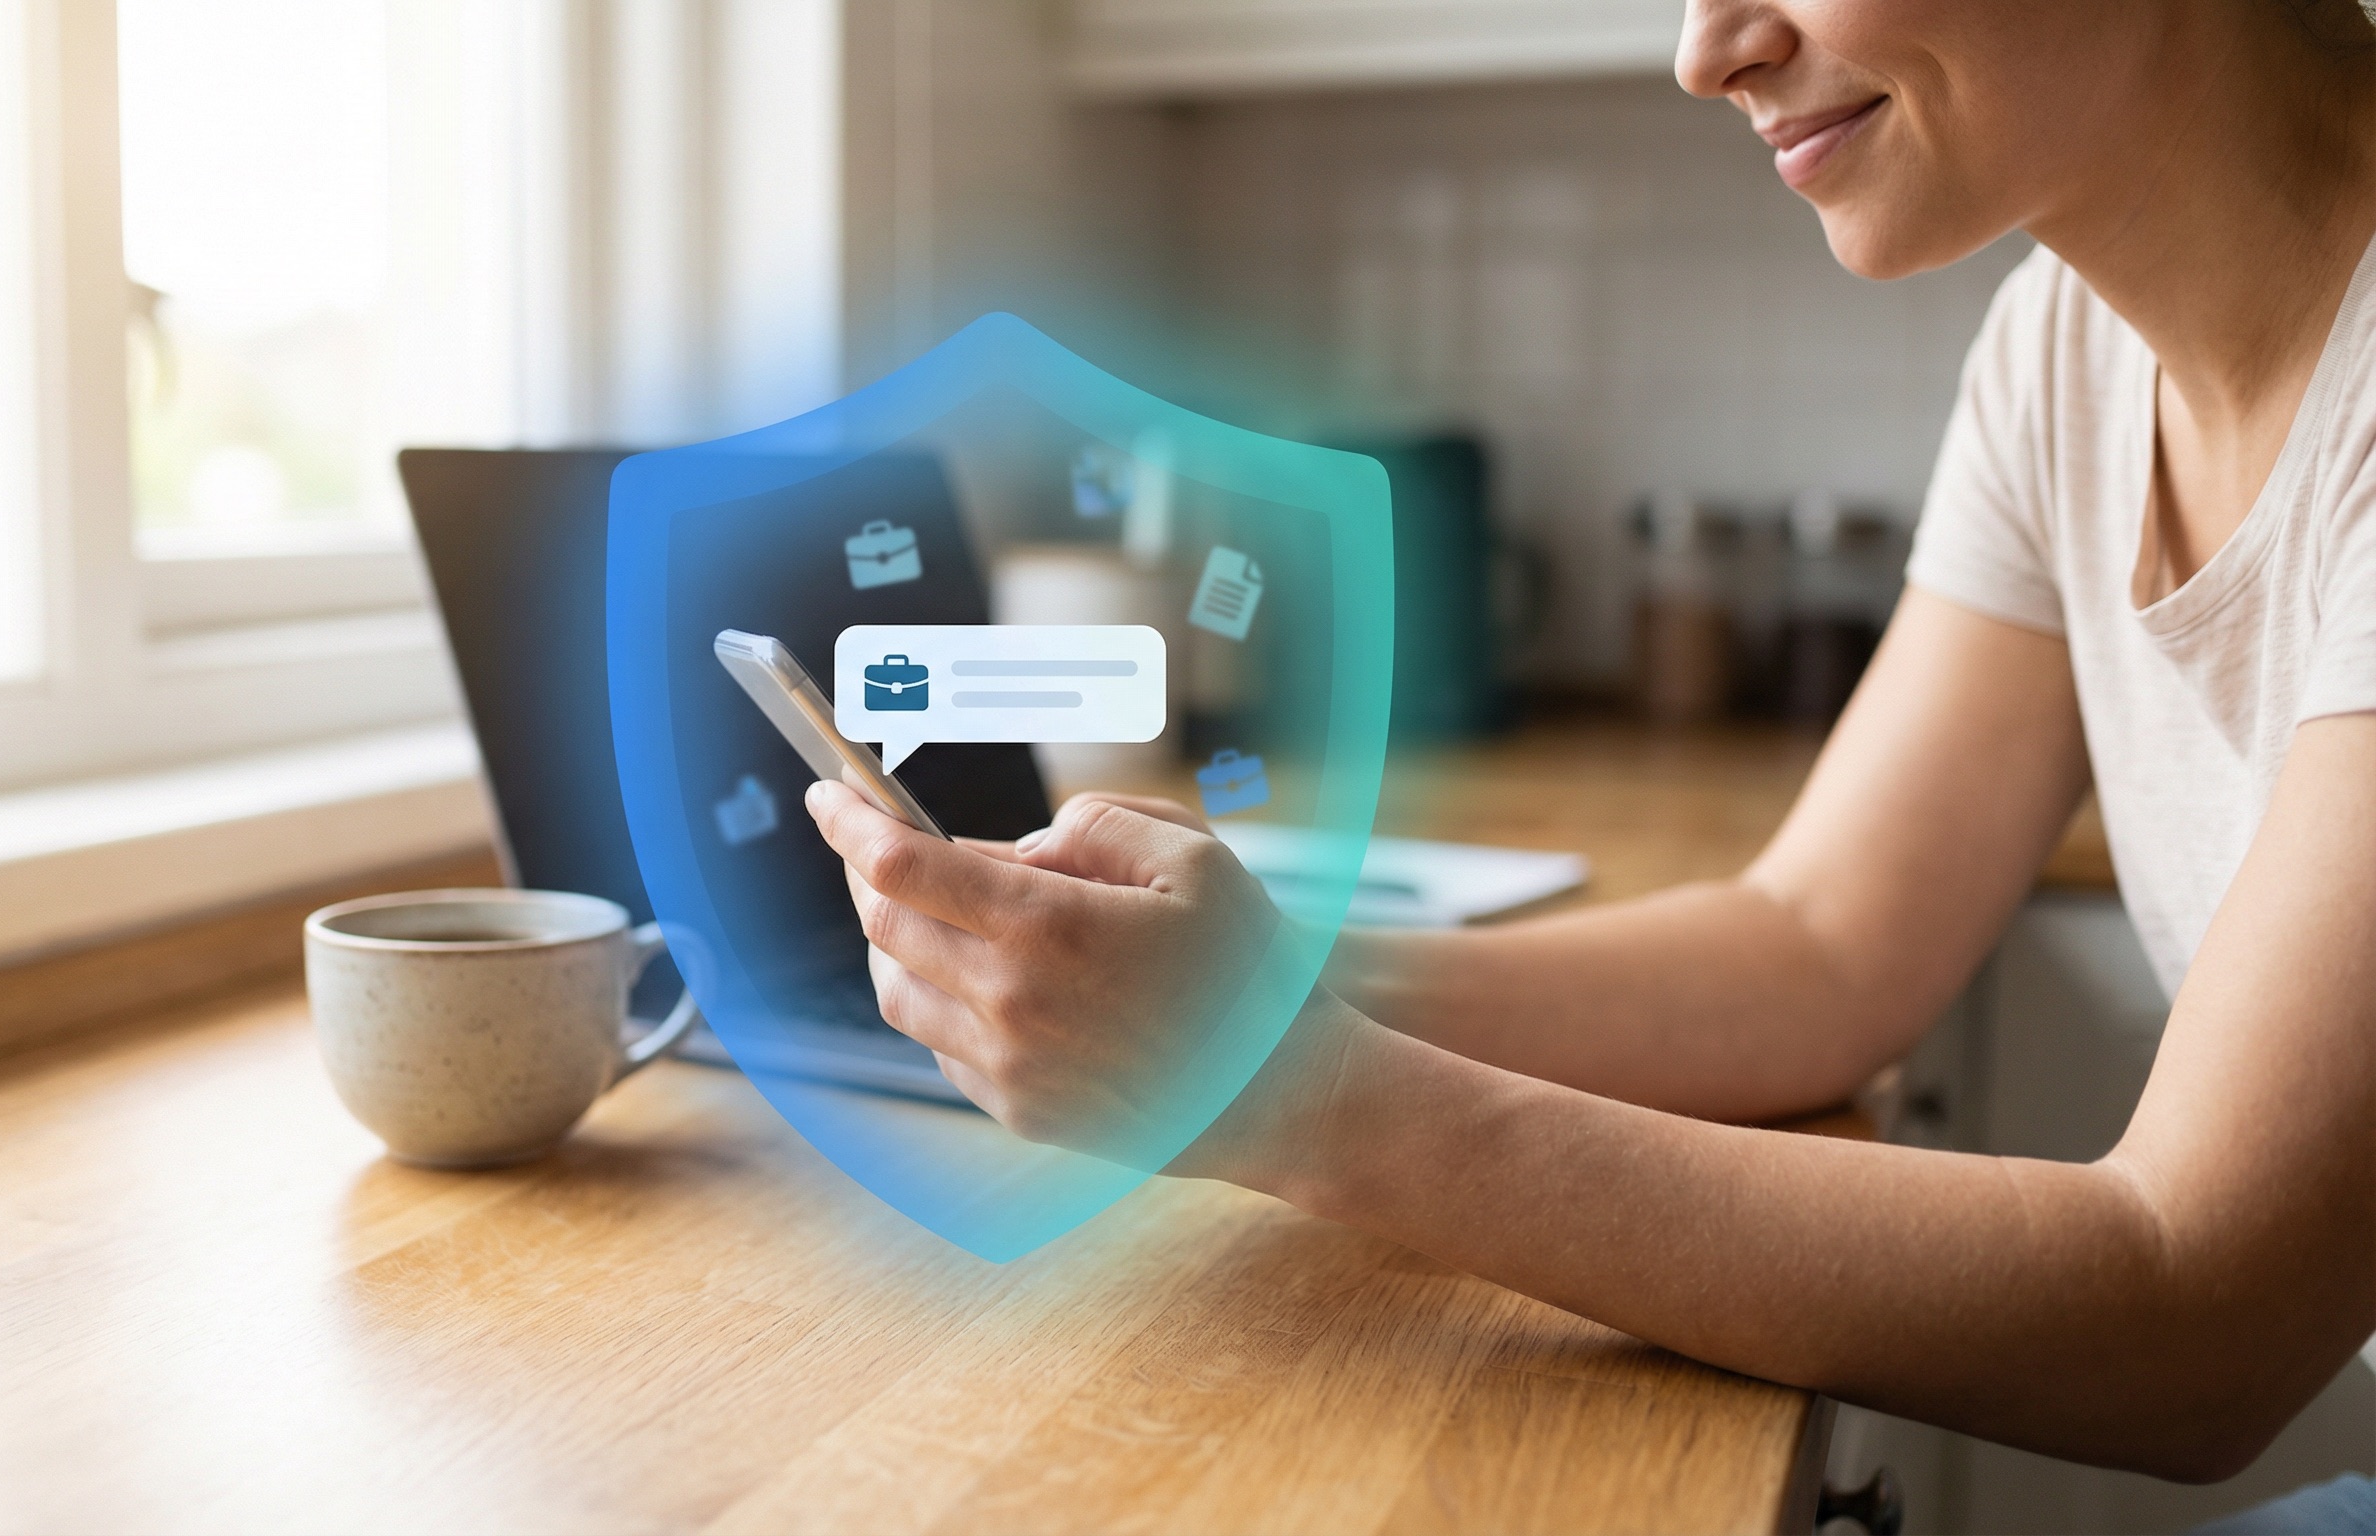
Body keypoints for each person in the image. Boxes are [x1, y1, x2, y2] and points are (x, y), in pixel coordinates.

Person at [806, 0, 2376, 1514]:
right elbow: (1819, 948)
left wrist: (1303, 1098)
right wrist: (1252, 988)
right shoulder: (2068, 351)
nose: (1709, 51)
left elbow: (2196, 1315)